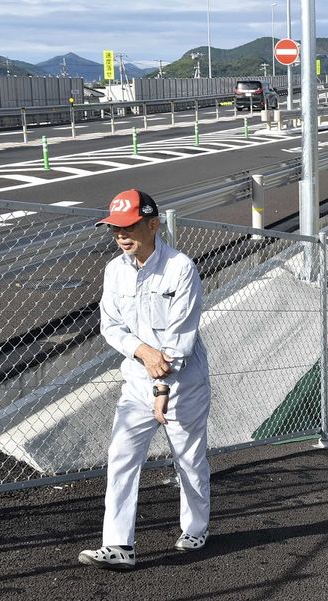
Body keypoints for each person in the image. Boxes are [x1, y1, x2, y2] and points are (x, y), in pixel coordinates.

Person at [79, 189, 211, 570]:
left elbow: (180, 338)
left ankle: (195, 527)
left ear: (153, 225)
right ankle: (118, 544)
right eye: (115, 229)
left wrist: (162, 387)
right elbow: (110, 326)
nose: (121, 235)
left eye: (129, 227)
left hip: (182, 384)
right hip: (137, 381)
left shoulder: (180, 268)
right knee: (121, 455)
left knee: (188, 460)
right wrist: (142, 351)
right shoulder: (114, 270)